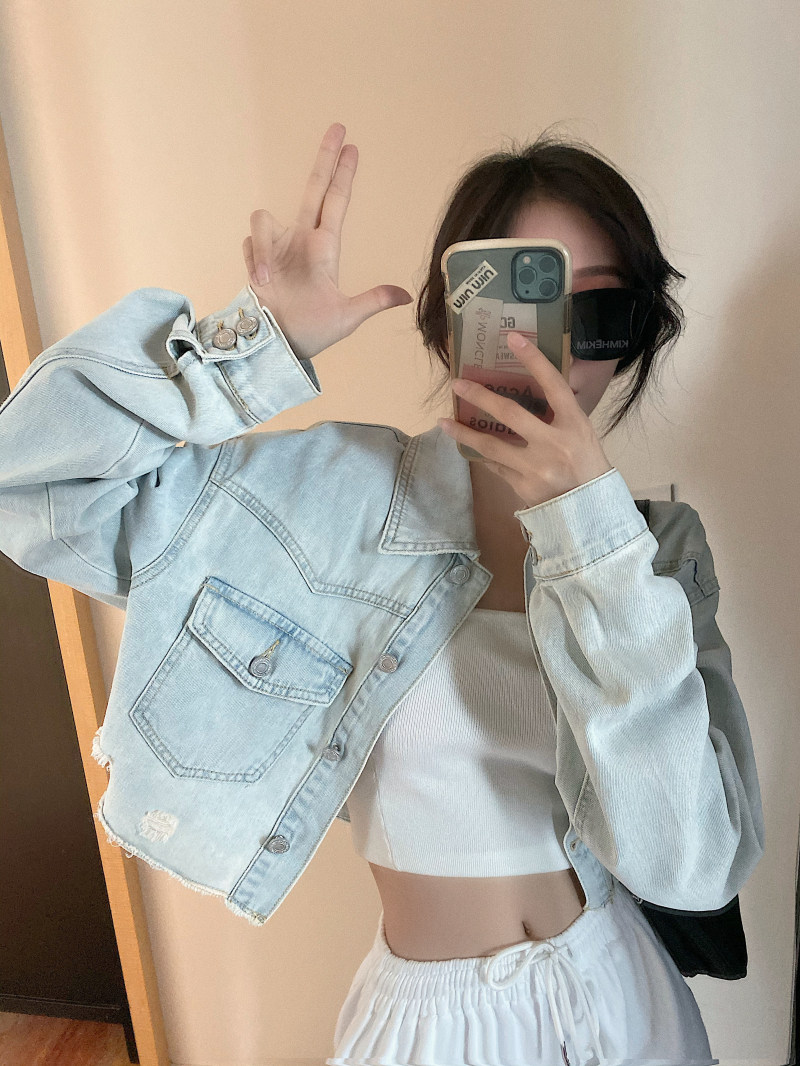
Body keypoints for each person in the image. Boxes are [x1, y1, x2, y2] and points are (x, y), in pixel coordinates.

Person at [0, 123, 764, 1066]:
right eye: (520, 305)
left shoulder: (655, 555)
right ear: (449, 320)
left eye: (600, 314)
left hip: (628, 1005)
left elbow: (693, 867)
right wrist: (252, 347)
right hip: (433, 1030)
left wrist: (590, 536)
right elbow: (28, 488)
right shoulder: (327, 499)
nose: (553, 354)